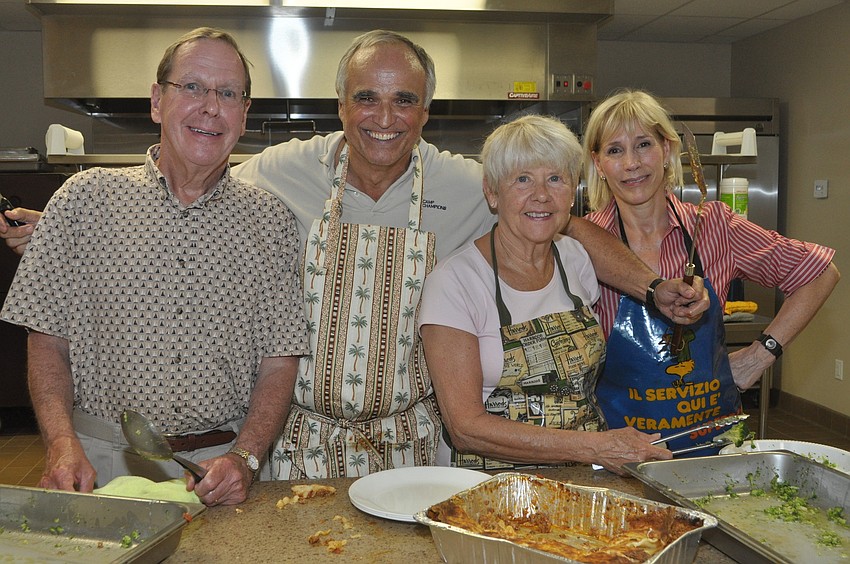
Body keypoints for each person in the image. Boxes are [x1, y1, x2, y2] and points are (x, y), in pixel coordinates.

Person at [2, 31, 707, 479]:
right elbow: (191, 184)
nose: (384, 117)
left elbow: (564, 224)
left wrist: (651, 287)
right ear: (341, 104)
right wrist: (69, 225)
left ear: (425, 112)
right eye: (366, 97)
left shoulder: (466, 184)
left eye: (405, 101)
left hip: (414, 444)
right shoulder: (280, 171)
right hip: (299, 445)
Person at [0, 27, 309, 504]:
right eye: (192, 87)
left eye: (227, 93)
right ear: (156, 101)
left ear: (243, 116)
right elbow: (46, 339)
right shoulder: (83, 200)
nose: (210, 106)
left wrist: (245, 457)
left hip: (217, 469)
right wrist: (62, 442)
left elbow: (279, 360)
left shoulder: (270, 223)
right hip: (101, 462)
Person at [583, 89, 839, 452]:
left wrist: (759, 356)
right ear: (598, 164)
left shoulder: (715, 226)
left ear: (667, 150)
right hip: (619, 450)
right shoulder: (581, 243)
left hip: (712, 448)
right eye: (614, 150)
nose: (631, 163)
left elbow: (819, 271)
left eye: (643, 144)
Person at [418, 114, 672, 474]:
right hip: (487, 484)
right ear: (492, 192)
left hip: (580, 479)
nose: (541, 195)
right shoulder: (455, 281)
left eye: (555, 178)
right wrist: (594, 447)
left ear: (572, 193)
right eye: (522, 179)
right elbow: (465, 428)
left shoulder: (576, 260)